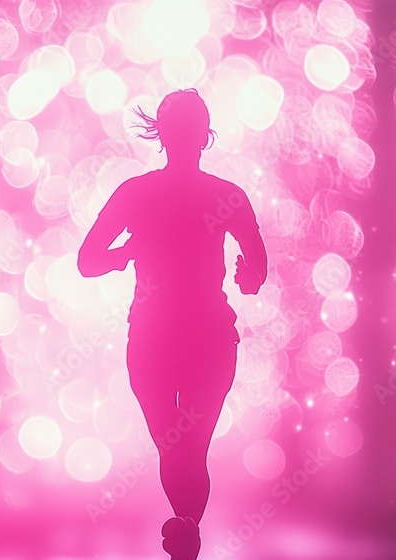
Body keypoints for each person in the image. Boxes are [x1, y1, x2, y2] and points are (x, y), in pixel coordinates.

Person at [78, 89, 267, 560]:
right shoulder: (225, 195)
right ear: (203, 136)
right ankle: (187, 531)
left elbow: (88, 260)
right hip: (200, 336)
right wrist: (247, 277)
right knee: (188, 445)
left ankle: (185, 532)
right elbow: (257, 270)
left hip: (156, 337)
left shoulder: (137, 193)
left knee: (174, 443)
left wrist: (126, 253)